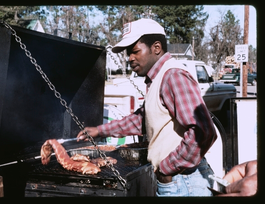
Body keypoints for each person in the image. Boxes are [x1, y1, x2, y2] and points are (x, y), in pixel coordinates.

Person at [77, 18, 217, 196]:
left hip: (183, 181)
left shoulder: (173, 76)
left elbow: (203, 131)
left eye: (135, 51)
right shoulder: (158, 78)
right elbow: (142, 120)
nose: (130, 58)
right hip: (178, 179)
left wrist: (167, 168)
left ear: (156, 48)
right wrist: (100, 131)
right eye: (128, 53)